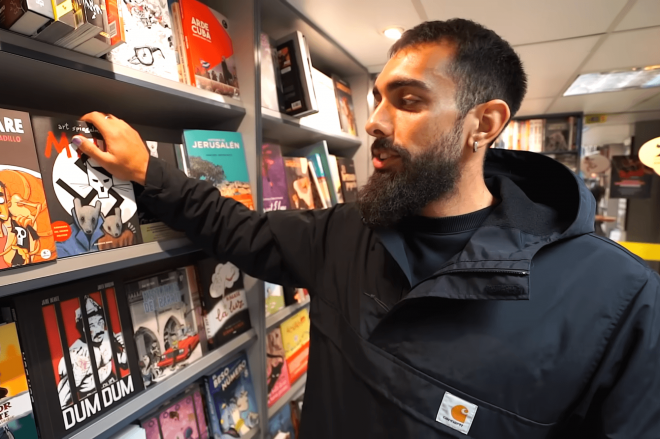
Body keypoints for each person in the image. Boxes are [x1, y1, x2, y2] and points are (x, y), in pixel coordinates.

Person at [73, 18, 660, 439]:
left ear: (483, 124)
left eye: (407, 100)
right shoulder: (348, 231)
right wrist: (148, 171)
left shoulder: (617, 300)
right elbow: (241, 231)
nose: (375, 122)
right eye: (377, 98)